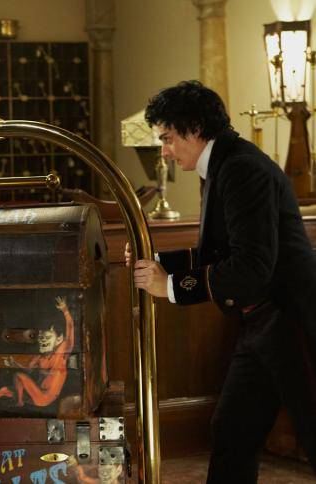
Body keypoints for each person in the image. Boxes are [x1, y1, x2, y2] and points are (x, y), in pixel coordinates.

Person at [126, 80, 316, 483]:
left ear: (195, 128)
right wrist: (155, 263)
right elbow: (221, 253)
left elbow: (251, 266)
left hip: (292, 320)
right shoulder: (224, 164)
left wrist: (170, 287)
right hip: (262, 323)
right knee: (233, 430)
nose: (164, 151)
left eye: (168, 138)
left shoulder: (242, 168)